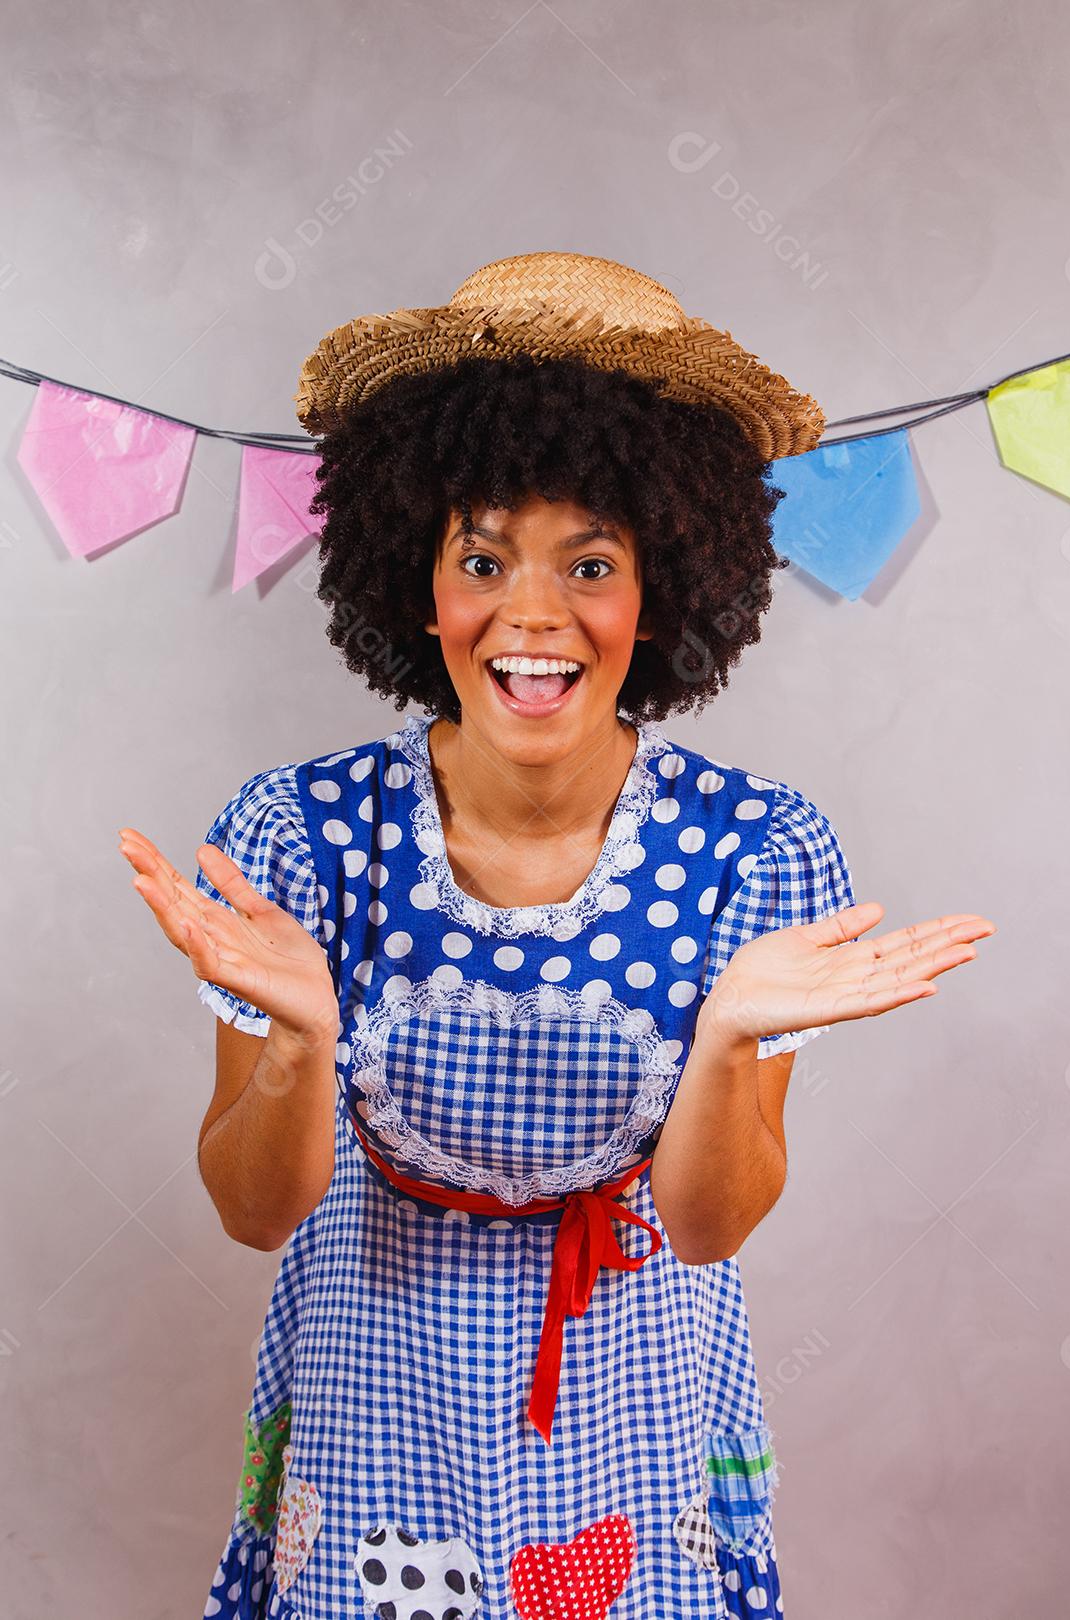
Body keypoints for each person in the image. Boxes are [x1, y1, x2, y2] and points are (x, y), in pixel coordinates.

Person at [119, 252, 995, 1620]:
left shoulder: (758, 847)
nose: (533, 617)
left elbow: (707, 1225)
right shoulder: (298, 834)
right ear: (419, 584)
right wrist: (300, 1041)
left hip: (635, 1412)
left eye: (591, 564)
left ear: (661, 593)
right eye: (483, 560)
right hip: (368, 1408)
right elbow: (253, 1213)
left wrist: (727, 1038)